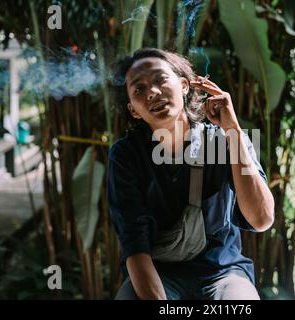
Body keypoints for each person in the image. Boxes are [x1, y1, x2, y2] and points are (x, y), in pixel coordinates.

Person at [108, 48, 274, 300]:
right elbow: (135, 246)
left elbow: (261, 219)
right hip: (158, 272)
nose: (152, 92)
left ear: (184, 85)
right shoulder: (126, 155)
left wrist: (233, 130)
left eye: (160, 79)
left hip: (223, 273)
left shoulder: (223, 140)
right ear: (133, 110)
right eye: (139, 89)